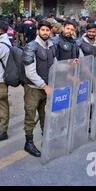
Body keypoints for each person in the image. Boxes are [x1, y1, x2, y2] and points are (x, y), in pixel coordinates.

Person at [23, 20, 56, 157]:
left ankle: (46, 140)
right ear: (38, 31)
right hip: (33, 89)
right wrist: (44, 86)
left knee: (46, 115)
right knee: (30, 115)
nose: (45, 32)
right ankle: (28, 143)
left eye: (47, 30)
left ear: (50, 31)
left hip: (47, 87)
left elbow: (55, 64)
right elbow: (29, 72)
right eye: (42, 30)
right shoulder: (31, 46)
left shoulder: (52, 46)